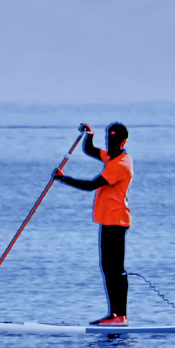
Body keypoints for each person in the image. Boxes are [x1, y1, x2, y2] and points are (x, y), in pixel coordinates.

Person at [54, 122, 134, 325]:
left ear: (123, 141)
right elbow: (89, 149)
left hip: (117, 221)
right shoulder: (111, 156)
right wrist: (89, 134)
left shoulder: (121, 164)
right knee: (108, 267)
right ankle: (115, 315)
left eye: (114, 140)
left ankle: (119, 316)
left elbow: (92, 185)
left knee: (114, 269)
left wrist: (64, 179)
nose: (110, 143)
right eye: (108, 139)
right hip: (108, 221)